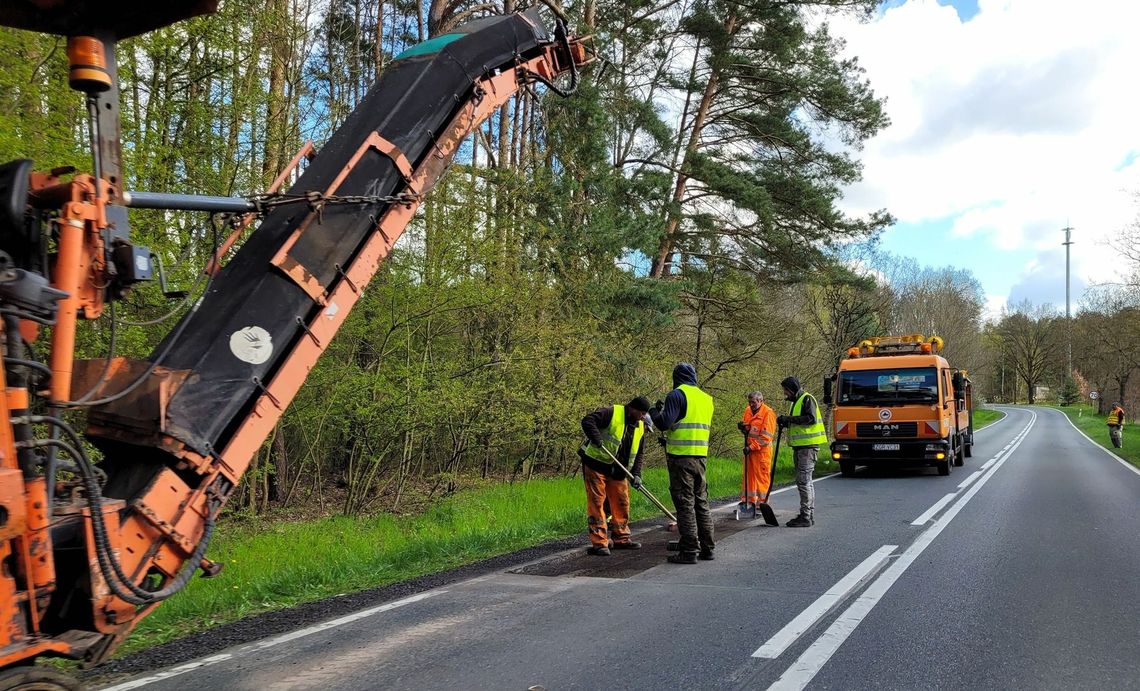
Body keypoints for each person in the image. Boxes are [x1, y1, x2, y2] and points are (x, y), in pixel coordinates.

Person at [651, 363, 715, 564]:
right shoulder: (706, 399)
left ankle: (689, 551)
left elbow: (664, 423)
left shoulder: (676, 395)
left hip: (681, 459)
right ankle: (708, 548)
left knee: (685, 504)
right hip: (701, 457)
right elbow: (687, 425)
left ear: (676, 377)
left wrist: (654, 412)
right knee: (701, 503)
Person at [579, 396, 651, 556]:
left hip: (619, 471)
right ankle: (600, 543)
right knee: (597, 503)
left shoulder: (640, 427)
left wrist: (636, 474)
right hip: (596, 464)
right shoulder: (612, 412)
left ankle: (621, 538)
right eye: (641, 413)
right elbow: (587, 421)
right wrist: (596, 438)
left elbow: (639, 453)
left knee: (621, 502)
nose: (643, 416)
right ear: (633, 409)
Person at [776, 376, 826, 527]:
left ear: (791, 389)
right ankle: (806, 514)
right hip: (801, 447)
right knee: (803, 481)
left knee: (804, 482)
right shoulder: (798, 401)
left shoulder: (807, 399)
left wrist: (789, 419)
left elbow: (810, 418)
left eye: (786, 390)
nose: (785, 394)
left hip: (808, 447)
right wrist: (786, 421)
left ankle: (806, 516)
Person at [738, 391, 776, 512]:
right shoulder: (748, 410)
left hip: (761, 452)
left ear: (760, 401)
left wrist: (751, 447)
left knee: (762, 478)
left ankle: (762, 504)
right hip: (749, 450)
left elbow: (765, 437)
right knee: (748, 477)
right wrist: (743, 428)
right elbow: (748, 426)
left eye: (753, 402)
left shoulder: (768, 413)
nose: (751, 404)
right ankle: (748, 502)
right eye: (749, 402)